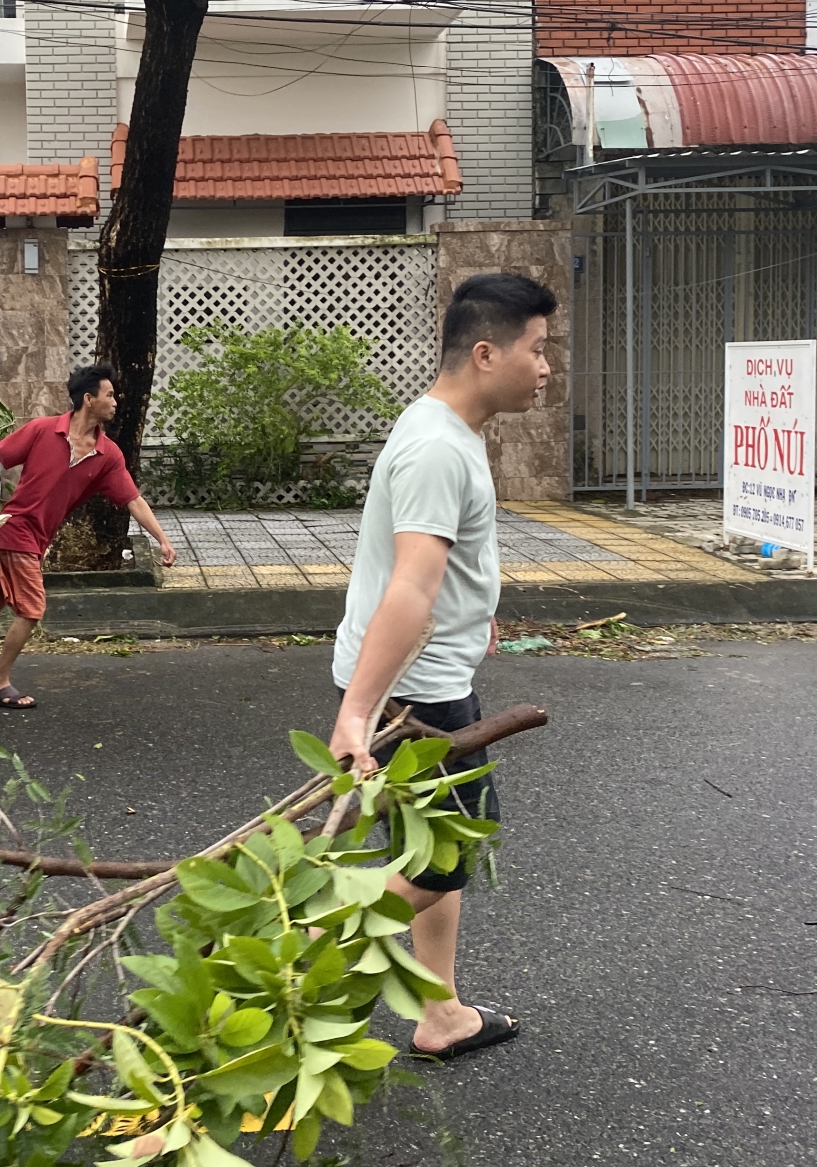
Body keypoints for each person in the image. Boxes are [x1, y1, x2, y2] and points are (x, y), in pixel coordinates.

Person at [326, 272, 555, 1062]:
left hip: (425, 683)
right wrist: (358, 712)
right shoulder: (435, 447)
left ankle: (441, 1011)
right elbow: (412, 587)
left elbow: (439, 575)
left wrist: (474, 612)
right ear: (487, 353)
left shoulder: (444, 431)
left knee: (434, 851)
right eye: (538, 349)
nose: (547, 366)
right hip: (413, 698)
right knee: (452, 848)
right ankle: (314, 945)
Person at [0, 363, 177, 709]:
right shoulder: (42, 430)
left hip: (39, 536)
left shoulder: (107, 455)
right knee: (31, 609)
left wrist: (162, 538)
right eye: (109, 395)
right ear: (88, 399)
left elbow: (133, 500)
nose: (115, 401)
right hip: (16, 528)